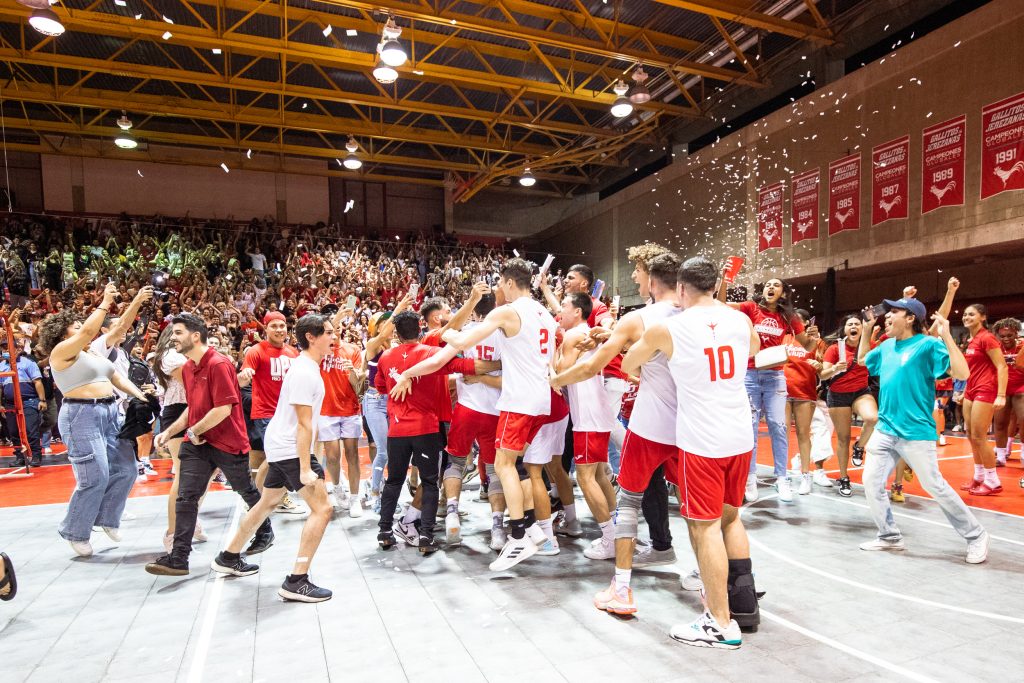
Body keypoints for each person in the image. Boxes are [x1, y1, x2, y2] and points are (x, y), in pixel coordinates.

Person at [623, 256, 760, 649]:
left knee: (705, 527)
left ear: (680, 289)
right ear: (715, 287)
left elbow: (629, 362)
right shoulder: (740, 320)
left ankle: (720, 622)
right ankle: (744, 603)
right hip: (740, 437)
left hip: (702, 441)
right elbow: (750, 349)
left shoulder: (670, 328)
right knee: (731, 519)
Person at [551, 251, 681, 615]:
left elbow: (605, 364)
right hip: (691, 426)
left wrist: (555, 379)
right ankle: (724, 579)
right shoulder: (702, 316)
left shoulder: (640, 319)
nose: (636, 281)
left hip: (651, 423)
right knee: (705, 509)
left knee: (628, 500)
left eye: (638, 274)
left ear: (652, 279)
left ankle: (621, 589)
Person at [431, 258, 557, 571]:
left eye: (500, 283)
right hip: (542, 399)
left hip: (520, 401)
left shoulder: (508, 311)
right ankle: (531, 527)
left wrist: (440, 333)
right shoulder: (545, 314)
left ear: (510, 282)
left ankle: (517, 536)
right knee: (519, 467)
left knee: (502, 465)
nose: (498, 288)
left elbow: (460, 340)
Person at [211, 315, 335, 602]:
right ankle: (297, 580)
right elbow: (304, 425)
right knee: (323, 509)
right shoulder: (305, 372)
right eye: (328, 332)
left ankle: (229, 556)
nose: (333, 337)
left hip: (280, 444)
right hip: (291, 448)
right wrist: (305, 467)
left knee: (268, 501)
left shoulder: (304, 366)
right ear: (311, 338)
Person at [857, 297, 989, 563]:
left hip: (915, 431)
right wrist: (868, 329)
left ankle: (976, 535)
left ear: (910, 318)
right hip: (885, 428)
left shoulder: (927, 345)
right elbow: (862, 360)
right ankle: (889, 536)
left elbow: (962, 374)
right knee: (871, 481)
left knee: (934, 485)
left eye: (894, 312)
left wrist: (947, 337)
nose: (887, 316)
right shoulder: (886, 346)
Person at [145, 313, 274, 575]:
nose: (173, 338)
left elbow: (223, 409)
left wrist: (193, 431)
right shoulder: (190, 367)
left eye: (178, 333)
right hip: (199, 444)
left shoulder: (219, 364)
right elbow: (193, 407)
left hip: (227, 442)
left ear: (195, 336)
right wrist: (170, 431)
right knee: (186, 496)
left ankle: (265, 530)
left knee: (246, 491)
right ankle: (179, 557)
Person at [37, 283, 153, 557]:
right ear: (62, 334)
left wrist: (140, 397)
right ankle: (75, 531)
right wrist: (104, 302)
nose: (82, 330)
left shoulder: (94, 353)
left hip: (110, 412)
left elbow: (116, 377)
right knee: (96, 476)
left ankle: (107, 519)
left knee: (126, 469)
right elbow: (91, 329)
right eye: (75, 327)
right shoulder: (60, 353)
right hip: (81, 416)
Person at [374, 310, 492, 554]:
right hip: (426, 429)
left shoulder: (385, 357)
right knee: (430, 482)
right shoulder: (432, 354)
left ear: (397, 333)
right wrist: (501, 364)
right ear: (420, 327)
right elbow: (466, 365)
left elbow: (381, 387)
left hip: (396, 430)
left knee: (394, 480)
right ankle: (426, 536)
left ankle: (384, 531)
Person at [718, 274, 806, 503]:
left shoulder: (789, 317)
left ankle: (782, 478)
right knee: (751, 427)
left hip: (775, 376)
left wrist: (813, 341)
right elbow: (720, 305)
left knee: (778, 425)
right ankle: (750, 476)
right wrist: (725, 280)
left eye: (776, 285)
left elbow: (807, 343)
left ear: (783, 293)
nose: (771, 287)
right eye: (768, 284)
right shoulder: (750, 308)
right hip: (748, 375)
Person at [554, 292, 618, 558]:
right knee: (600, 474)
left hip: (588, 416)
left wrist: (554, 352)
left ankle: (611, 539)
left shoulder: (573, 336)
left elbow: (559, 374)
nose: (560, 313)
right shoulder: (588, 332)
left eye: (565, 307)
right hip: (597, 413)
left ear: (578, 311)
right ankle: (618, 532)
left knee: (585, 477)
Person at [237, 311, 300, 509]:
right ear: (266, 328)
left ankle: (260, 499)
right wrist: (244, 375)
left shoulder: (293, 352)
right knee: (277, 458)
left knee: (275, 459)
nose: (279, 330)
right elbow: (240, 380)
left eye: (282, 326)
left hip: (289, 414)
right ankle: (260, 500)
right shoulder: (256, 351)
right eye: (274, 326)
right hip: (266, 414)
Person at [820, 315, 879, 497]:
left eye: (857, 324)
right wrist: (835, 369)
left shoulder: (870, 346)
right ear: (844, 329)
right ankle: (844, 478)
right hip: (838, 395)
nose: (853, 326)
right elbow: (822, 375)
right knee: (843, 438)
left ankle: (860, 447)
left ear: (862, 329)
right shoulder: (834, 349)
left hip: (861, 391)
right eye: (849, 324)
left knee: (872, 418)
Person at [318, 306, 365, 517]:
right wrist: (336, 318)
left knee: (353, 455)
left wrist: (353, 373)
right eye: (329, 330)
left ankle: (355, 499)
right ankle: (337, 488)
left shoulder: (352, 350)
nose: (334, 333)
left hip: (350, 409)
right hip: (326, 410)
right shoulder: (320, 350)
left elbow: (358, 386)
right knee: (333, 457)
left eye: (336, 329)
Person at [959, 303, 1007, 495]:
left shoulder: (987, 338)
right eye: (964, 314)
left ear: (983, 317)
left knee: (980, 436)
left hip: (986, 390)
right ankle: (979, 477)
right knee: (971, 435)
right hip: (971, 390)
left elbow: (1002, 366)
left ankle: (993, 481)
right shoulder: (971, 340)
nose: (966, 317)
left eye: (971, 314)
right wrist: (964, 391)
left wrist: (1001, 395)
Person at [782, 311, 826, 493]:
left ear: (808, 322)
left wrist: (819, 364)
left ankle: (806, 476)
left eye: (799, 320)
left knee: (803, 434)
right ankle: (782, 476)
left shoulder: (816, 341)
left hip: (804, 392)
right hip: (782, 391)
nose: (795, 322)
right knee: (781, 434)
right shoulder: (784, 337)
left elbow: (822, 367)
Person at [0, 336, 45, 468]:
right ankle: (20, 457)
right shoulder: (1, 366)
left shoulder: (28, 363)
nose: (6, 350)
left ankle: (36, 456)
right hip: (10, 403)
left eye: (8, 347)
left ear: (18, 349)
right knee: (13, 432)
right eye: (3, 348)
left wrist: (42, 400)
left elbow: (37, 382)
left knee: (31, 430)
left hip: (29, 401)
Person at [992, 318, 1023, 466]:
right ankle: (1001, 456)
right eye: (1002, 336)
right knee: (999, 423)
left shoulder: (1023, 346)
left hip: (1021, 388)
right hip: (1001, 389)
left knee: (1023, 420)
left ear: (1016, 334)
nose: (1006, 339)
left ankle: (1023, 454)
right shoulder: (995, 347)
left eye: (1009, 335)